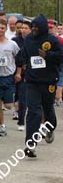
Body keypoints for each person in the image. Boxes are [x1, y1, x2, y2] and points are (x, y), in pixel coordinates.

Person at [21, 14, 62, 157]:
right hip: (32, 81)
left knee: (47, 108)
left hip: (49, 81)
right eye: (33, 27)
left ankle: (50, 126)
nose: (34, 29)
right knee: (34, 111)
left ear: (44, 27)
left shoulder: (52, 40)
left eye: (37, 27)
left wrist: (48, 55)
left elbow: (60, 57)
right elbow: (23, 54)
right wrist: (23, 63)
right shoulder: (29, 39)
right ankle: (30, 144)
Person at [0, 19, 20, 136]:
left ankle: (11, 106)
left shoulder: (12, 44)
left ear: (6, 29)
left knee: (8, 105)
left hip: (8, 77)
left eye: (2, 28)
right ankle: (2, 126)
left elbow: (19, 59)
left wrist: (18, 73)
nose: (0, 30)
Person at [14, 20, 32, 131]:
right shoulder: (16, 41)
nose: (23, 30)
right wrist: (18, 72)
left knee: (33, 100)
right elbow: (16, 58)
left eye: (26, 28)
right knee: (22, 98)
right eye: (22, 28)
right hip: (21, 73)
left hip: (34, 73)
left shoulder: (34, 41)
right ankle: (21, 121)